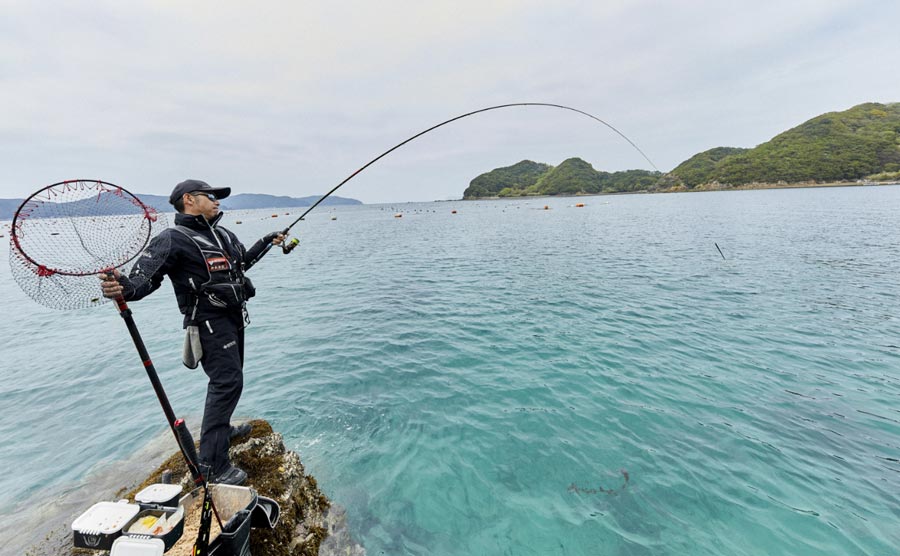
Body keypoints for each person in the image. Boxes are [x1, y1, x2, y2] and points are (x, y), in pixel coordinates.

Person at [101, 179, 285, 485]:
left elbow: (241, 264)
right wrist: (121, 287)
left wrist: (266, 240)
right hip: (208, 323)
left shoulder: (223, 233)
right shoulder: (172, 239)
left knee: (232, 379)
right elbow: (142, 282)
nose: (217, 202)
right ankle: (212, 464)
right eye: (211, 196)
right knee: (226, 382)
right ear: (188, 199)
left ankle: (221, 431)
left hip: (233, 318)